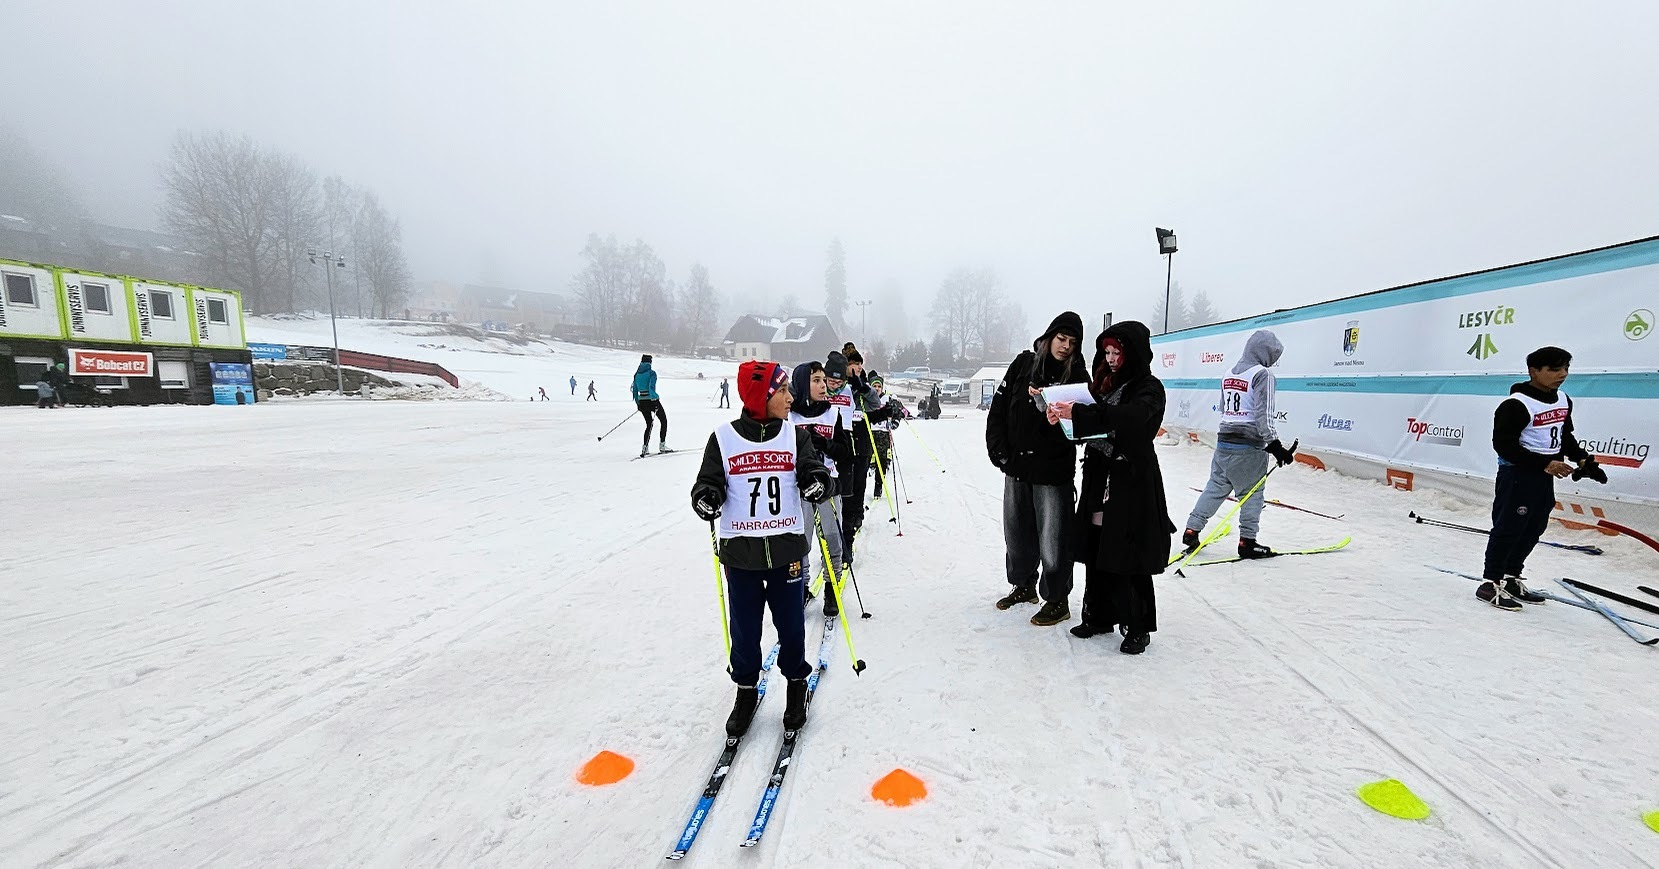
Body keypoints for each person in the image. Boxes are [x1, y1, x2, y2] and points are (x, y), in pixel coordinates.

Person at [691, 359, 835, 735]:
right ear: (760, 396)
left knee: (791, 627)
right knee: (744, 629)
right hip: (741, 555)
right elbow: (708, 481)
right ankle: (745, 690)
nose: (790, 398)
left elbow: (813, 468)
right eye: (782, 391)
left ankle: (796, 685)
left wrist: (818, 482)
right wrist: (706, 496)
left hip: (787, 552)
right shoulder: (723, 438)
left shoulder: (794, 437)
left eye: (789, 390)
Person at [1046, 322, 1175, 654]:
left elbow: (1131, 418)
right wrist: (1063, 417)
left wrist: (1084, 413)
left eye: (1118, 352)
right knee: (1097, 546)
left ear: (1134, 353)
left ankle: (1137, 626)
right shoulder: (1103, 384)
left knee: (1129, 553)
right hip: (1099, 477)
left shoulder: (1149, 388)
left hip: (1131, 481)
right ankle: (1099, 615)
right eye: (1107, 352)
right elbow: (1092, 424)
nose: (1112, 358)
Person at [1477, 346, 1607, 610]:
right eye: (1554, 369)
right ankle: (1490, 583)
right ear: (1534, 371)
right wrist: (1545, 463)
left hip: (1543, 475)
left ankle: (1511, 577)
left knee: (1534, 527)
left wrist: (1583, 460)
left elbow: (1564, 436)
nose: (1563, 374)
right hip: (1517, 474)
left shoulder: (1563, 400)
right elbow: (1504, 445)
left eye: (1566, 368)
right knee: (1509, 527)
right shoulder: (1515, 405)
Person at [985, 311, 1088, 625]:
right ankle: (1023, 585)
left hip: (1052, 473)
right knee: (1017, 533)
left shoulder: (1077, 375)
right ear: (1049, 336)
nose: (1065, 346)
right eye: (1061, 338)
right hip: (1017, 466)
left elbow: (1082, 427)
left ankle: (1057, 600)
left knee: (1053, 538)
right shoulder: (1023, 364)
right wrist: (999, 451)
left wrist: (1051, 408)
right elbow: (999, 408)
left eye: (1072, 342)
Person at [1180, 330, 1296, 559]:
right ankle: (1247, 542)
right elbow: (1263, 414)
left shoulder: (1229, 372)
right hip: (1249, 446)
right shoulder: (1263, 374)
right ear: (1265, 352)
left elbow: (1225, 408)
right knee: (1252, 493)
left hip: (1224, 443)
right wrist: (1275, 445)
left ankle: (1192, 529)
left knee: (1215, 487)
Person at [788, 360, 854, 617]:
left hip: (828, 486)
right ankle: (801, 586)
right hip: (798, 488)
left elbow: (846, 452)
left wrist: (824, 444)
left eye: (823, 380)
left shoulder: (832, 413)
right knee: (801, 539)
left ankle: (831, 586)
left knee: (831, 537)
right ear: (803, 384)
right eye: (816, 380)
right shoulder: (790, 416)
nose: (823, 385)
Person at [632, 355, 671, 457]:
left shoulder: (636, 375)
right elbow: (651, 387)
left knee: (649, 424)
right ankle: (662, 445)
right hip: (652, 400)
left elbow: (635, 390)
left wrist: (638, 403)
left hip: (642, 401)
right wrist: (654, 399)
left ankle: (645, 448)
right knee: (664, 421)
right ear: (649, 362)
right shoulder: (651, 373)